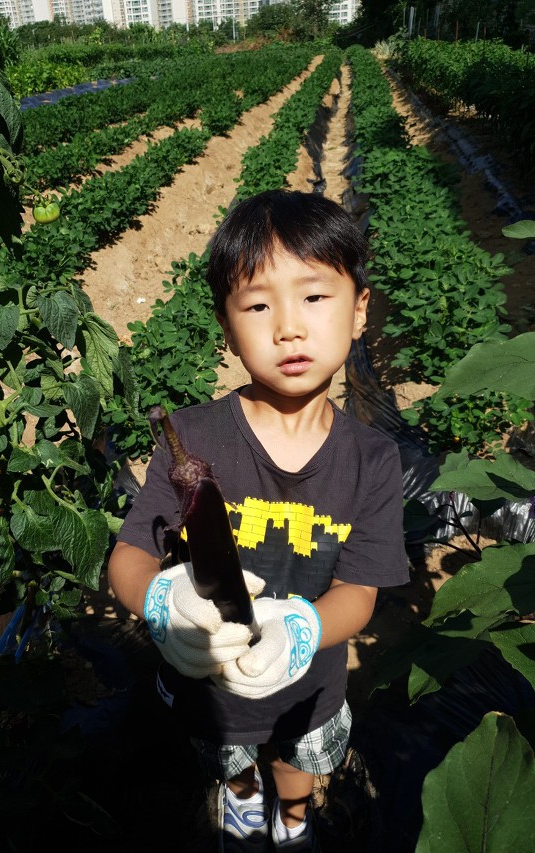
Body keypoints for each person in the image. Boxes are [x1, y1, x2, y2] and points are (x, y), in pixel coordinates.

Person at [108, 189, 409, 852]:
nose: (288, 328)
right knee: (232, 764)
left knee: (297, 760)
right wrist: (158, 599)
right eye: (257, 306)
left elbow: (359, 591)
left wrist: (305, 629)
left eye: (314, 296)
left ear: (360, 310)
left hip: (310, 683)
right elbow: (130, 553)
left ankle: (293, 819)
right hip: (211, 683)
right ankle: (244, 812)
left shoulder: (373, 460)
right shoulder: (192, 438)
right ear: (226, 326)